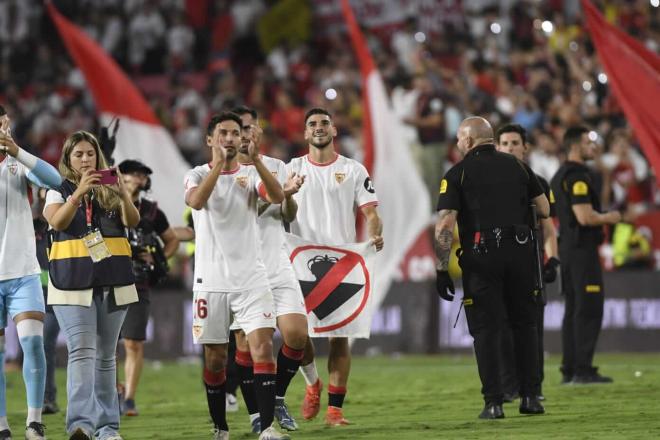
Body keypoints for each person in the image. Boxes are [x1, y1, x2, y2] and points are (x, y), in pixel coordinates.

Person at [184, 112, 290, 440]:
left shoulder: (250, 173)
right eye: (223, 133)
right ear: (210, 140)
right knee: (216, 359)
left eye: (234, 133)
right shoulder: (197, 173)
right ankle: (221, 427)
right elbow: (196, 201)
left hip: (252, 280)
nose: (230, 138)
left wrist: (257, 161)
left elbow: (275, 196)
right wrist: (220, 164)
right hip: (210, 282)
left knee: (261, 348)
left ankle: (268, 427)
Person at [435, 116, 549, 419]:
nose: (458, 144)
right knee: (525, 325)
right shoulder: (518, 166)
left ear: (469, 141)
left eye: (460, 139)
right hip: (522, 254)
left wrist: (441, 268)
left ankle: (494, 402)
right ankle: (531, 398)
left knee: (487, 330)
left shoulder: (457, 173)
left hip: (482, 257)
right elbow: (545, 209)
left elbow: (446, 222)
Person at [287, 108, 383, 426]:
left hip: (341, 262)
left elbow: (370, 211)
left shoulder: (353, 169)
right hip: (299, 261)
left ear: (334, 130)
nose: (318, 128)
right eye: (312, 124)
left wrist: (375, 230)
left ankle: (335, 410)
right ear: (304, 133)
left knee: (339, 339)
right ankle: (313, 383)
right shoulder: (293, 168)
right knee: (297, 338)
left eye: (324, 123)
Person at [43, 130, 140, 440]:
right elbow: (57, 222)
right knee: (82, 351)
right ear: (68, 160)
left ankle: (108, 427)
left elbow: (132, 221)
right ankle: (80, 425)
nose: (85, 159)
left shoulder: (111, 188)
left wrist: (124, 192)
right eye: (78, 155)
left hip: (113, 279)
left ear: (98, 156)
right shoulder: (56, 188)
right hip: (72, 281)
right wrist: (78, 193)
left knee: (107, 356)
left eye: (90, 153)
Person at [230, 106, 308, 433]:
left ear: (259, 131)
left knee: (296, 336)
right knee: (248, 345)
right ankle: (258, 417)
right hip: (242, 270)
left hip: (277, 263)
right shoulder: (223, 173)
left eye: (250, 128)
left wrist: (289, 196)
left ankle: (275, 396)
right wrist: (278, 195)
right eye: (239, 129)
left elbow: (287, 209)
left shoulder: (277, 166)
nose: (245, 134)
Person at [0, 106, 61, 440]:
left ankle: (34, 421)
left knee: (33, 344)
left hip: (24, 272)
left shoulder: (16, 163)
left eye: (4, 125)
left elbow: (56, 180)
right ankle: (1, 425)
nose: (2, 130)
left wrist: (17, 151)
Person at [550, 125, 621, 384]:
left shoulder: (560, 174)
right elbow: (584, 216)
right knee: (588, 309)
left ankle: (570, 368)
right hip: (582, 251)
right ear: (575, 146)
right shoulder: (578, 177)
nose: (594, 147)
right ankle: (582, 369)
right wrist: (609, 217)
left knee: (573, 310)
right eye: (588, 142)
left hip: (568, 248)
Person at [495, 123, 559, 401]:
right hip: (500, 264)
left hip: (530, 264)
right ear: (497, 147)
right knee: (503, 328)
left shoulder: (540, 183)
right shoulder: (490, 182)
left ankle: (534, 388)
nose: (510, 148)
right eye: (505, 143)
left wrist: (552, 258)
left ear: (525, 147)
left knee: (533, 328)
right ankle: (510, 387)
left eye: (514, 143)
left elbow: (548, 227)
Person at [117, 159, 179, 417]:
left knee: (133, 343)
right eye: (134, 173)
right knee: (105, 345)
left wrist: (159, 258)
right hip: (107, 280)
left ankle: (129, 398)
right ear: (121, 176)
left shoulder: (152, 212)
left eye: (142, 174)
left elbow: (172, 239)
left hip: (138, 282)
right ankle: (113, 389)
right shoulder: (106, 203)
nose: (139, 177)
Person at [33, 187, 62, 416]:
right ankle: (47, 398)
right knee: (44, 345)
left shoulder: (65, 222)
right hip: (39, 295)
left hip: (61, 292)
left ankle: (49, 397)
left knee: (47, 344)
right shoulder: (33, 228)